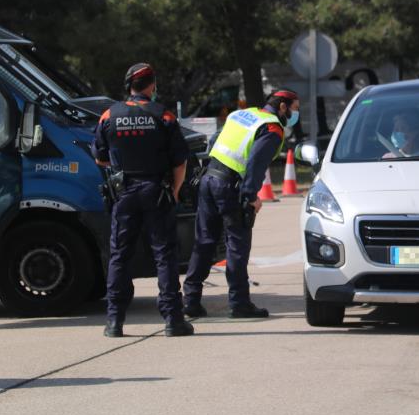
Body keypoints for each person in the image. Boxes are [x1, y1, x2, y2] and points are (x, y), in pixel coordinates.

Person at [91, 63, 194, 338]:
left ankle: (114, 322)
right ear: (152, 85)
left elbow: (99, 157)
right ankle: (173, 320)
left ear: (129, 86)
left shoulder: (109, 115)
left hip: (123, 193)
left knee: (119, 256)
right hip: (156, 191)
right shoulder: (164, 116)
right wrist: (174, 190)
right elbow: (180, 160)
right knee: (164, 255)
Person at [182, 89, 299, 318]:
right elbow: (256, 164)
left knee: (204, 242)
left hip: (209, 177)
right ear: (283, 107)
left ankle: (191, 300)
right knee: (236, 246)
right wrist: (250, 197)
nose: (296, 114)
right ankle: (239, 304)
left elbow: (215, 140)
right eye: (295, 108)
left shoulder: (241, 114)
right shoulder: (272, 128)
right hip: (230, 187)